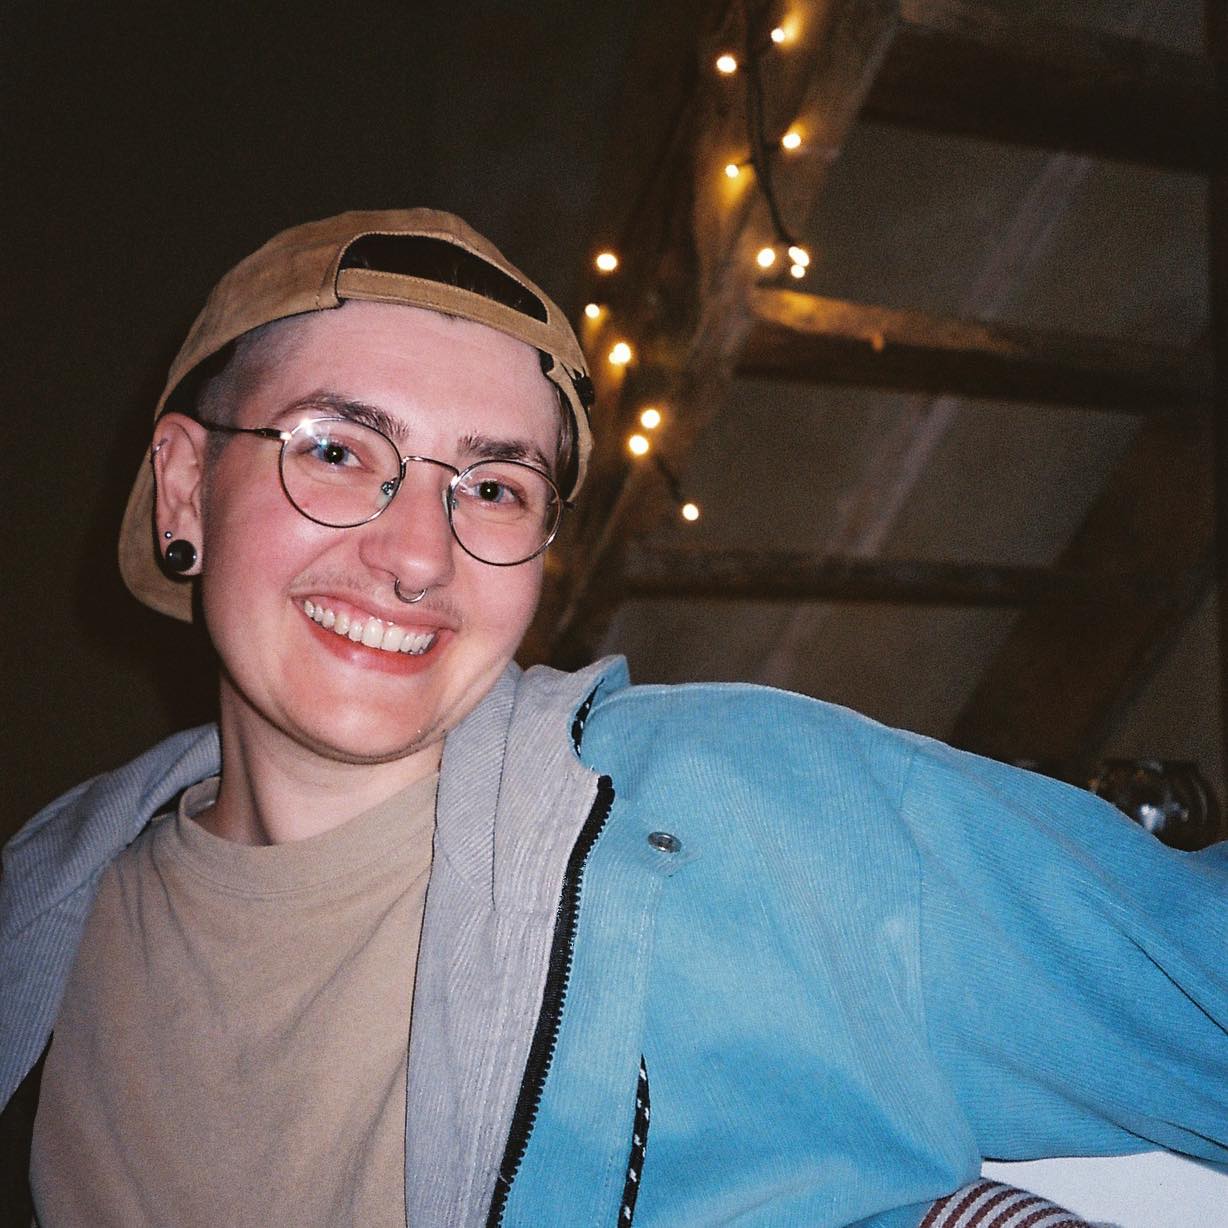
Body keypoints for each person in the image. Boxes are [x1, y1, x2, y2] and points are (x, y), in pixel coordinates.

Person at [0, 209, 1224, 1228]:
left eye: (493, 486)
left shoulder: (739, 809)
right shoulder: (40, 937)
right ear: (183, 486)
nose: (417, 554)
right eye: (335, 450)